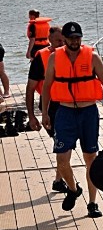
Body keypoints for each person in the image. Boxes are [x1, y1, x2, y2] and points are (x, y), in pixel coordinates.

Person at [40, 21, 103, 218]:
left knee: (91, 158)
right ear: (64, 39)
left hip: (88, 111)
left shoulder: (92, 57)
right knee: (62, 158)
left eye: (78, 38)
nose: (75, 41)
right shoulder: (55, 58)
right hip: (64, 113)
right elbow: (47, 87)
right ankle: (73, 189)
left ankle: (92, 203)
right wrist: (45, 113)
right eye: (71, 38)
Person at [25, 26, 67, 190]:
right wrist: (32, 116)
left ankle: (59, 180)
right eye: (58, 41)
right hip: (50, 107)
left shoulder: (71, 55)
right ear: (50, 40)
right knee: (62, 143)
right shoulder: (41, 58)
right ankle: (62, 181)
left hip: (69, 105)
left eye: (64, 41)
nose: (61, 44)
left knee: (63, 144)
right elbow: (30, 89)